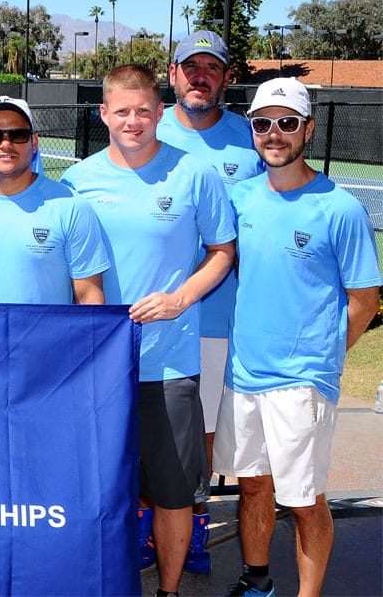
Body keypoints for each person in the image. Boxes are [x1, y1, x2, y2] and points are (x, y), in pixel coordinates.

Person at [61, 64, 236, 597]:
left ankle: (168, 591)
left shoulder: (195, 173)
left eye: (143, 111)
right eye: (122, 111)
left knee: (173, 495)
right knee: (96, 492)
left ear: (159, 112)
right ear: (103, 114)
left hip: (168, 363)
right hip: (95, 366)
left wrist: (181, 298)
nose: (133, 121)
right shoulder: (78, 180)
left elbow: (222, 252)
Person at [216, 77, 381, 597]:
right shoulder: (240, 198)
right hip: (243, 374)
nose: (274, 134)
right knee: (254, 485)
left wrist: (322, 358)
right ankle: (258, 581)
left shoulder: (340, 209)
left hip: (302, 381)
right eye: (263, 123)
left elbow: (365, 301)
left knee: (306, 499)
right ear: (253, 130)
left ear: (307, 128)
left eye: (287, 123)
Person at [155, 30, 265, 574]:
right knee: (144, 425)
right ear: (172, 74)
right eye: (189, 66)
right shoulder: (146, 129)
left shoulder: (251, 137)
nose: (200, 76)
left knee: (201, 431)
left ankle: (192, 522)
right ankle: (146, 524)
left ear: (225, 78)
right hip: (150, 316)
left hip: (218, 313)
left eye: (212, 68)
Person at [0, 96, 109, 309]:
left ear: (34, 142)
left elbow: (89, 296)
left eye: (18, 135)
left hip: (47, 342)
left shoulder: (72, 207)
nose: (6, 144)